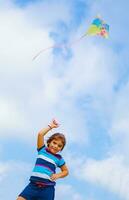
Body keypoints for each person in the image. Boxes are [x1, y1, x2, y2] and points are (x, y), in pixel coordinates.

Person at [17, 119, 69, 200]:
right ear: (49, 142)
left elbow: (66, 171)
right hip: (33, 186)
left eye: (59, 146)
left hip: (47, 189)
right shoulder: (42, 150)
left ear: (61, 149)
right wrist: (50, 126)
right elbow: (40, 134)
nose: (56, 146)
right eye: (54, 143)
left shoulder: (59, 158)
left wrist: (57, 175)